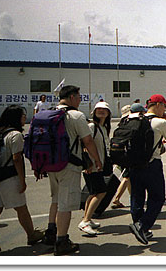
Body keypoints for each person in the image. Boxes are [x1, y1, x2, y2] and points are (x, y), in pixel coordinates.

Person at [43, 85, 102, 255]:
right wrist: (96, 160)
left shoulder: (49, 113)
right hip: (68, 165)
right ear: (70, 97)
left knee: (55, 199)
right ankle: (62, 241)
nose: (80, 100)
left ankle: (51, 232)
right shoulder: (76, 115)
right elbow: (88, 141)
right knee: (65, 204)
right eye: (78, 97)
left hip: (50, 164)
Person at [0, 105, 45, 256]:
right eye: (23, 115)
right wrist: (22, 180)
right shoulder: (15, 135)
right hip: (8, 177)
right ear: (16, 118)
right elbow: (17, 159)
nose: (25, 118)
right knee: (21, 208)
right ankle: (31, 235)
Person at [128, 95, 166, 245]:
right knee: (158, 198)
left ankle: (140, 226)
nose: (165, 110)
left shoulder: (133, 119)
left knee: (137, 197)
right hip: (152, 164)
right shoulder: (160, 122)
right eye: (164, 107)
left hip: (134, 164)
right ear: (158, 105)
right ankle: (142, 225)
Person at [78, 101, 112, 235]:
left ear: (108, 113)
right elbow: (85, 144)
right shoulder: (92, 126)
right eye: (99, 109)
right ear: (94, 112)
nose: (101, 111)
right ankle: (85, 221)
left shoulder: (103, 127)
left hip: (98, 165)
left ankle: (88, 218)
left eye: (104, 109)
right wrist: (89, 163)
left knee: (93, 193)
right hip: (91, 166)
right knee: (101, 192)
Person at [111, 104, 132, 209]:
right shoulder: (130, 124)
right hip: (127, 155)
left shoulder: (120, 125)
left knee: (128, 178)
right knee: (127, 177)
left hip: (118, 154)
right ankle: (117, 198)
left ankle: (132, 198)